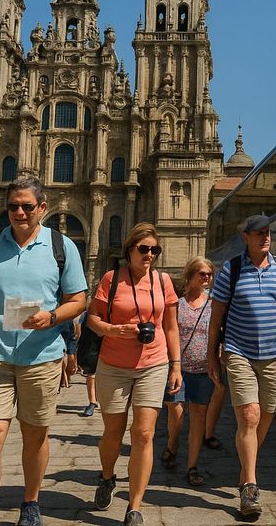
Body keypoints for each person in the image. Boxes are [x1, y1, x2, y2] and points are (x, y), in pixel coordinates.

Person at [0, 177, 88, 526]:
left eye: (27, 206)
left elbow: (78, 300)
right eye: (13, 206)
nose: (19, 212)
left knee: (35, 433)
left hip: (41, 356)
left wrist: (53, 317)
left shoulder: (62, 247)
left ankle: (31, 501)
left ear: (42, 208)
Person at [207, 214, 276, 518]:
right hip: (239, 353)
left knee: (265, 416)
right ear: (246, 237)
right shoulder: (232, 269)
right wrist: (212, 355)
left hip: (274, 355)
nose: (265, 237)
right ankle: (250, 485)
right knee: (250, 415)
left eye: (267, 232)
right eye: (259, 233)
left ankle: (244, 469)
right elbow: (216, 320)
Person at [88, 222, 182, 526]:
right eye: (144, 249)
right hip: (113, 365)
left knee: (144, 433)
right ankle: (106, 477)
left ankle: (134, 506)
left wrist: (176, 365)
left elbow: (170, 326)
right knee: (113, 433)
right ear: (130, 250)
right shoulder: (111, 279)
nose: (150, 254)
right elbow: (92, 319)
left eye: (155, 250)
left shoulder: (163, 281)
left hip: (153, 364)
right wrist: (114, 330)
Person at [161, 256, 224, 486]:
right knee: (176, 415)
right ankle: (172, 444)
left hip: (203, 370)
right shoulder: (177, 305)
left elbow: (220, 332)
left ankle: (192, 466)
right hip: (178, 369)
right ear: (191, 275)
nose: (206, 277)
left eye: (209, 273)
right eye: (202, 273)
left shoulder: (214, 304)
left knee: (198, 418)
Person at [60, 310, 81, 389]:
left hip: (63, 324)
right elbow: (77, 319)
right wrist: (78, 330)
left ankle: (64, 378)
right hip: (70, 327)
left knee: (64, 354)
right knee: (70, 353)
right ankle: (67, 378)